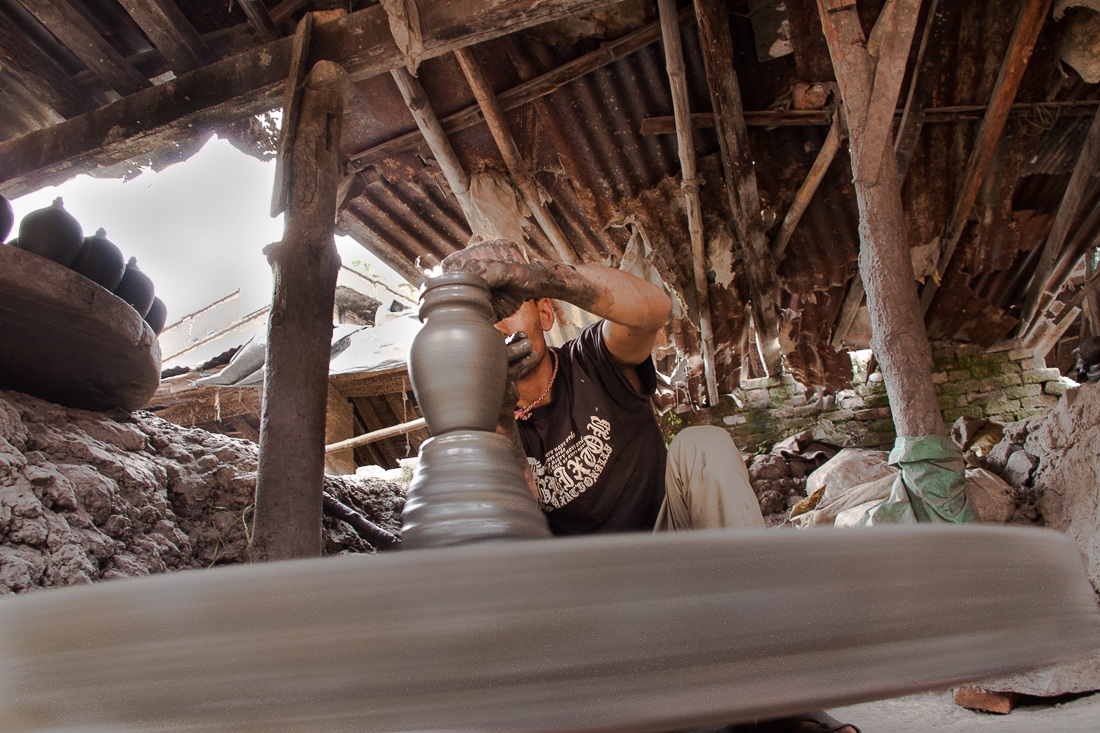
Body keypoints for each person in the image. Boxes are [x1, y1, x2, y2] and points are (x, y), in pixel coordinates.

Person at [442, 240, 859, 733]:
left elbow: (653, 310)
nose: (496, 326)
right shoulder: (479, 427)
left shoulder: (593, 361)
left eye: (507, 307)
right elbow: (516, 536)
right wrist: (498, 413)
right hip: (586, 606)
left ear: (546, 312)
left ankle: (778, 694)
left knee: (703, 444)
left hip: (673, 557)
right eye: (480, 318)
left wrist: (543, 275)